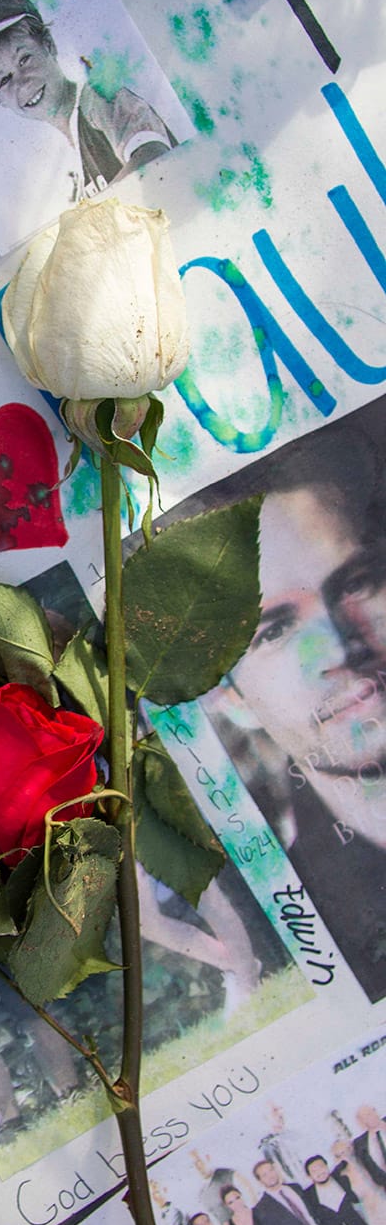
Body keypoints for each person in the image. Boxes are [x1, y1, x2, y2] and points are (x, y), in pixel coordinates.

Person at [208, 423, 386, 1002]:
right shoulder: (301, 942)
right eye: (277, 630)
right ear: (230, 694)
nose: (339, 650)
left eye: (356, 583)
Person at [0, 0, 176, 201]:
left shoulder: (97, 97)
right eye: (4, 80)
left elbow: (154, 157)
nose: (22, 82)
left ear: (48, 45)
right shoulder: (64, 162)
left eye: (24, 59)